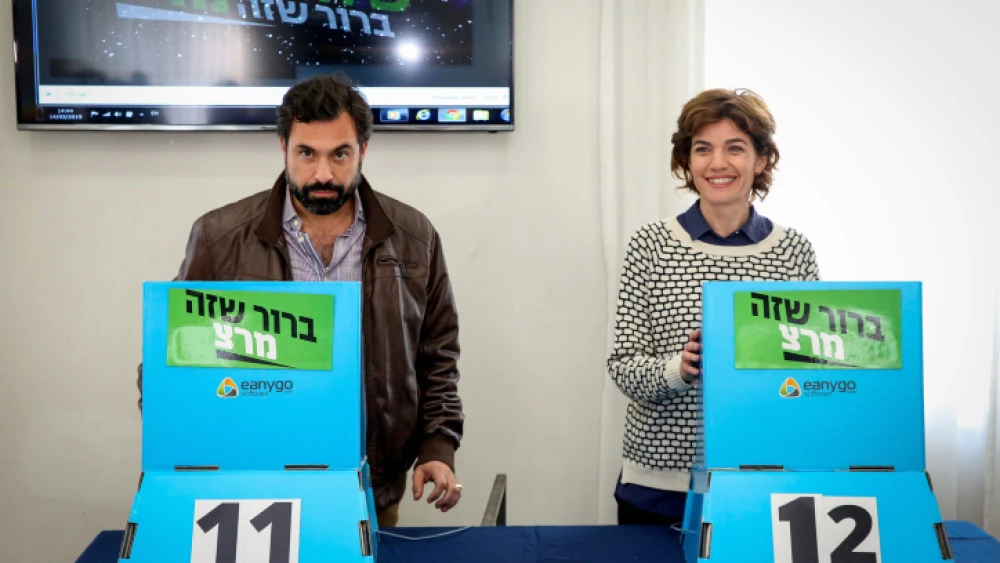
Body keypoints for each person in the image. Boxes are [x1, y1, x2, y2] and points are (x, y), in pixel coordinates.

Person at [135, 73, 465, 527]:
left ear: (363, 152)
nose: (323, 174)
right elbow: (172, 360)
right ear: (284, 148)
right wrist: (186, 451)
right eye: (306, 153)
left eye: (340, 154)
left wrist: (437, 447)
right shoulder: (218, 237)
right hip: (247, 486)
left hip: (371, 485)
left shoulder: (414, 238)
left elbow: (438, 355)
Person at [606, 88, 820, 525]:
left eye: (735, 148)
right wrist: (679, 369)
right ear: (687, 160)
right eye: (703, 149)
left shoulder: (794, 252)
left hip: (760, 478)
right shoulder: (650, 247)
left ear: (762, 160)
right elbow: (623, 366)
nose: (717, 163)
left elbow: (811, 372)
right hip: (658, 486)